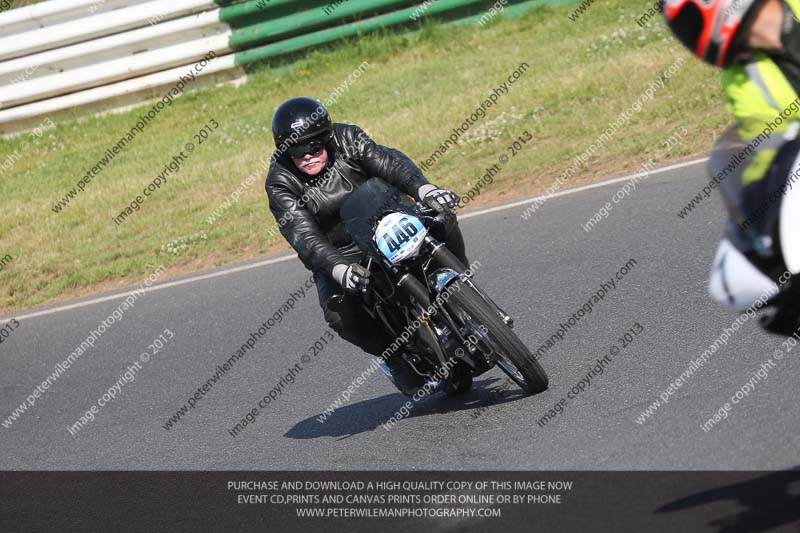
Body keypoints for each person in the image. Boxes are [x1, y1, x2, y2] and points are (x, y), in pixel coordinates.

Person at [265, 96, 468, 392]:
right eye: (296, 151)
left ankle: (460, 285)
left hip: (388, 218)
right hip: (342, 254)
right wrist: (339, 269)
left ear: (326, 138)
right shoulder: (280, 182)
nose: (307, 155)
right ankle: (395, 356)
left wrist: (425, 190)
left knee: (442, 218)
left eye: (313, 146)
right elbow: (303, 235)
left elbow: (389, 162)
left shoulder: (348, 138)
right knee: (339, 313)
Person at [664, 0, 800, 334]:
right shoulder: (743, 80)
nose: (690, 36)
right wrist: (764, 238)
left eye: (690, 22)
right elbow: (766, 164)